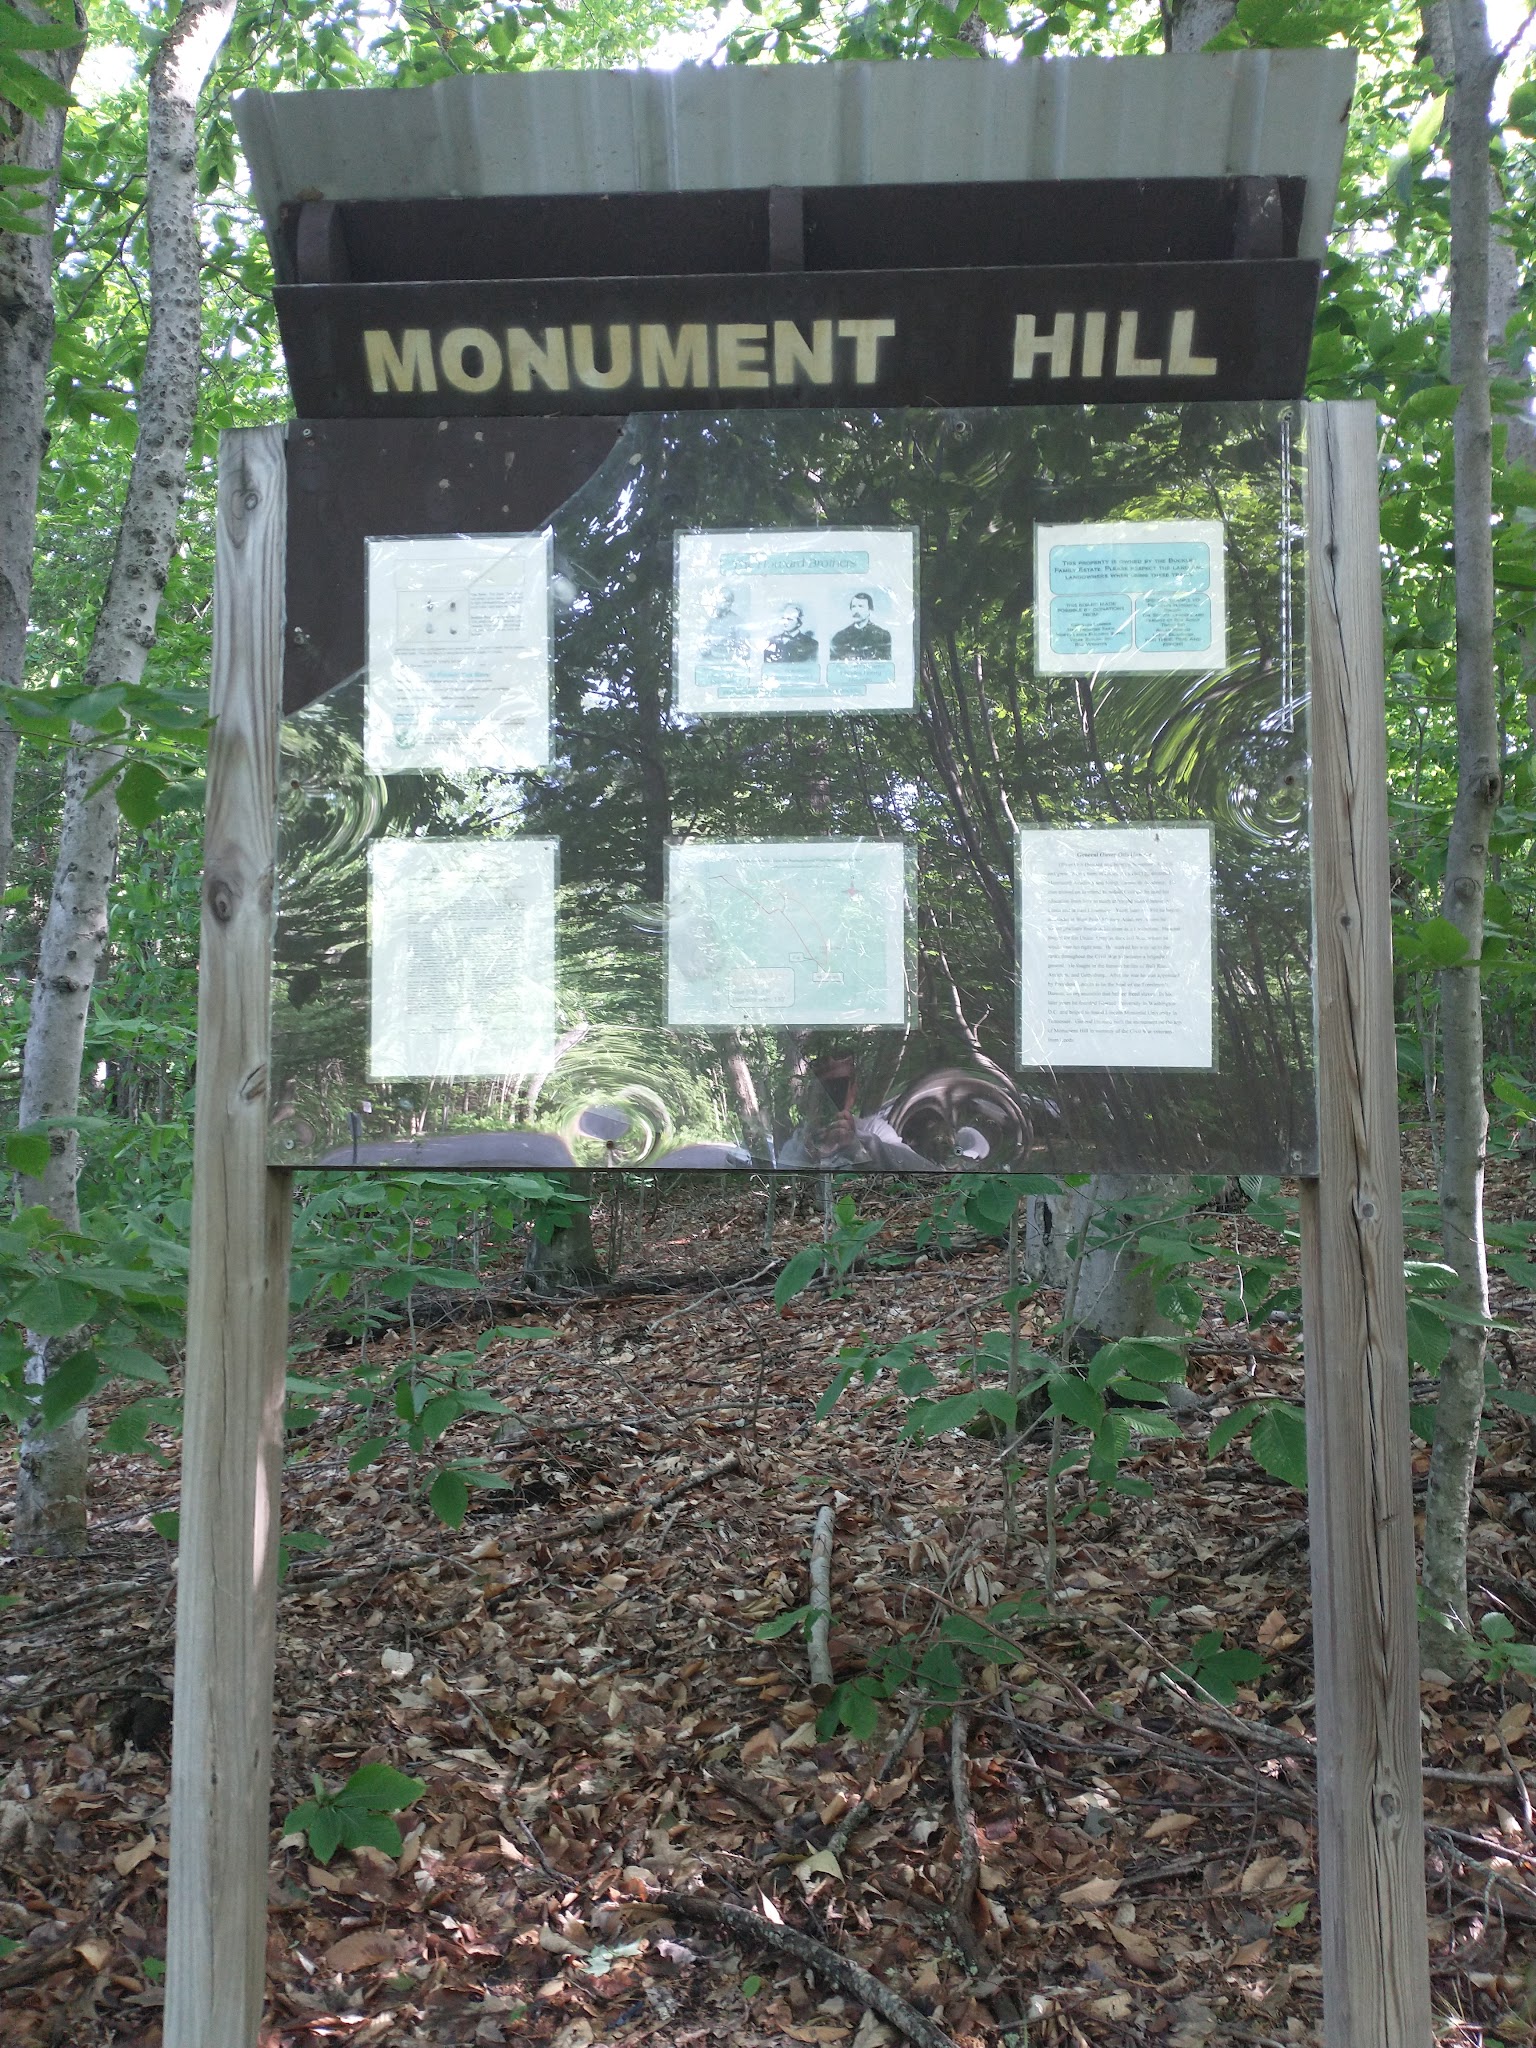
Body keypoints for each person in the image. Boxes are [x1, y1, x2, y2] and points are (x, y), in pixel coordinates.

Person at [829, 590, 892, 661]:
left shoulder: (882, 636)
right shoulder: (840, 637)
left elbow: (885, 666)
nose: (856, 610)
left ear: (870, 610)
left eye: (861, 606)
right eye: (853, 606)